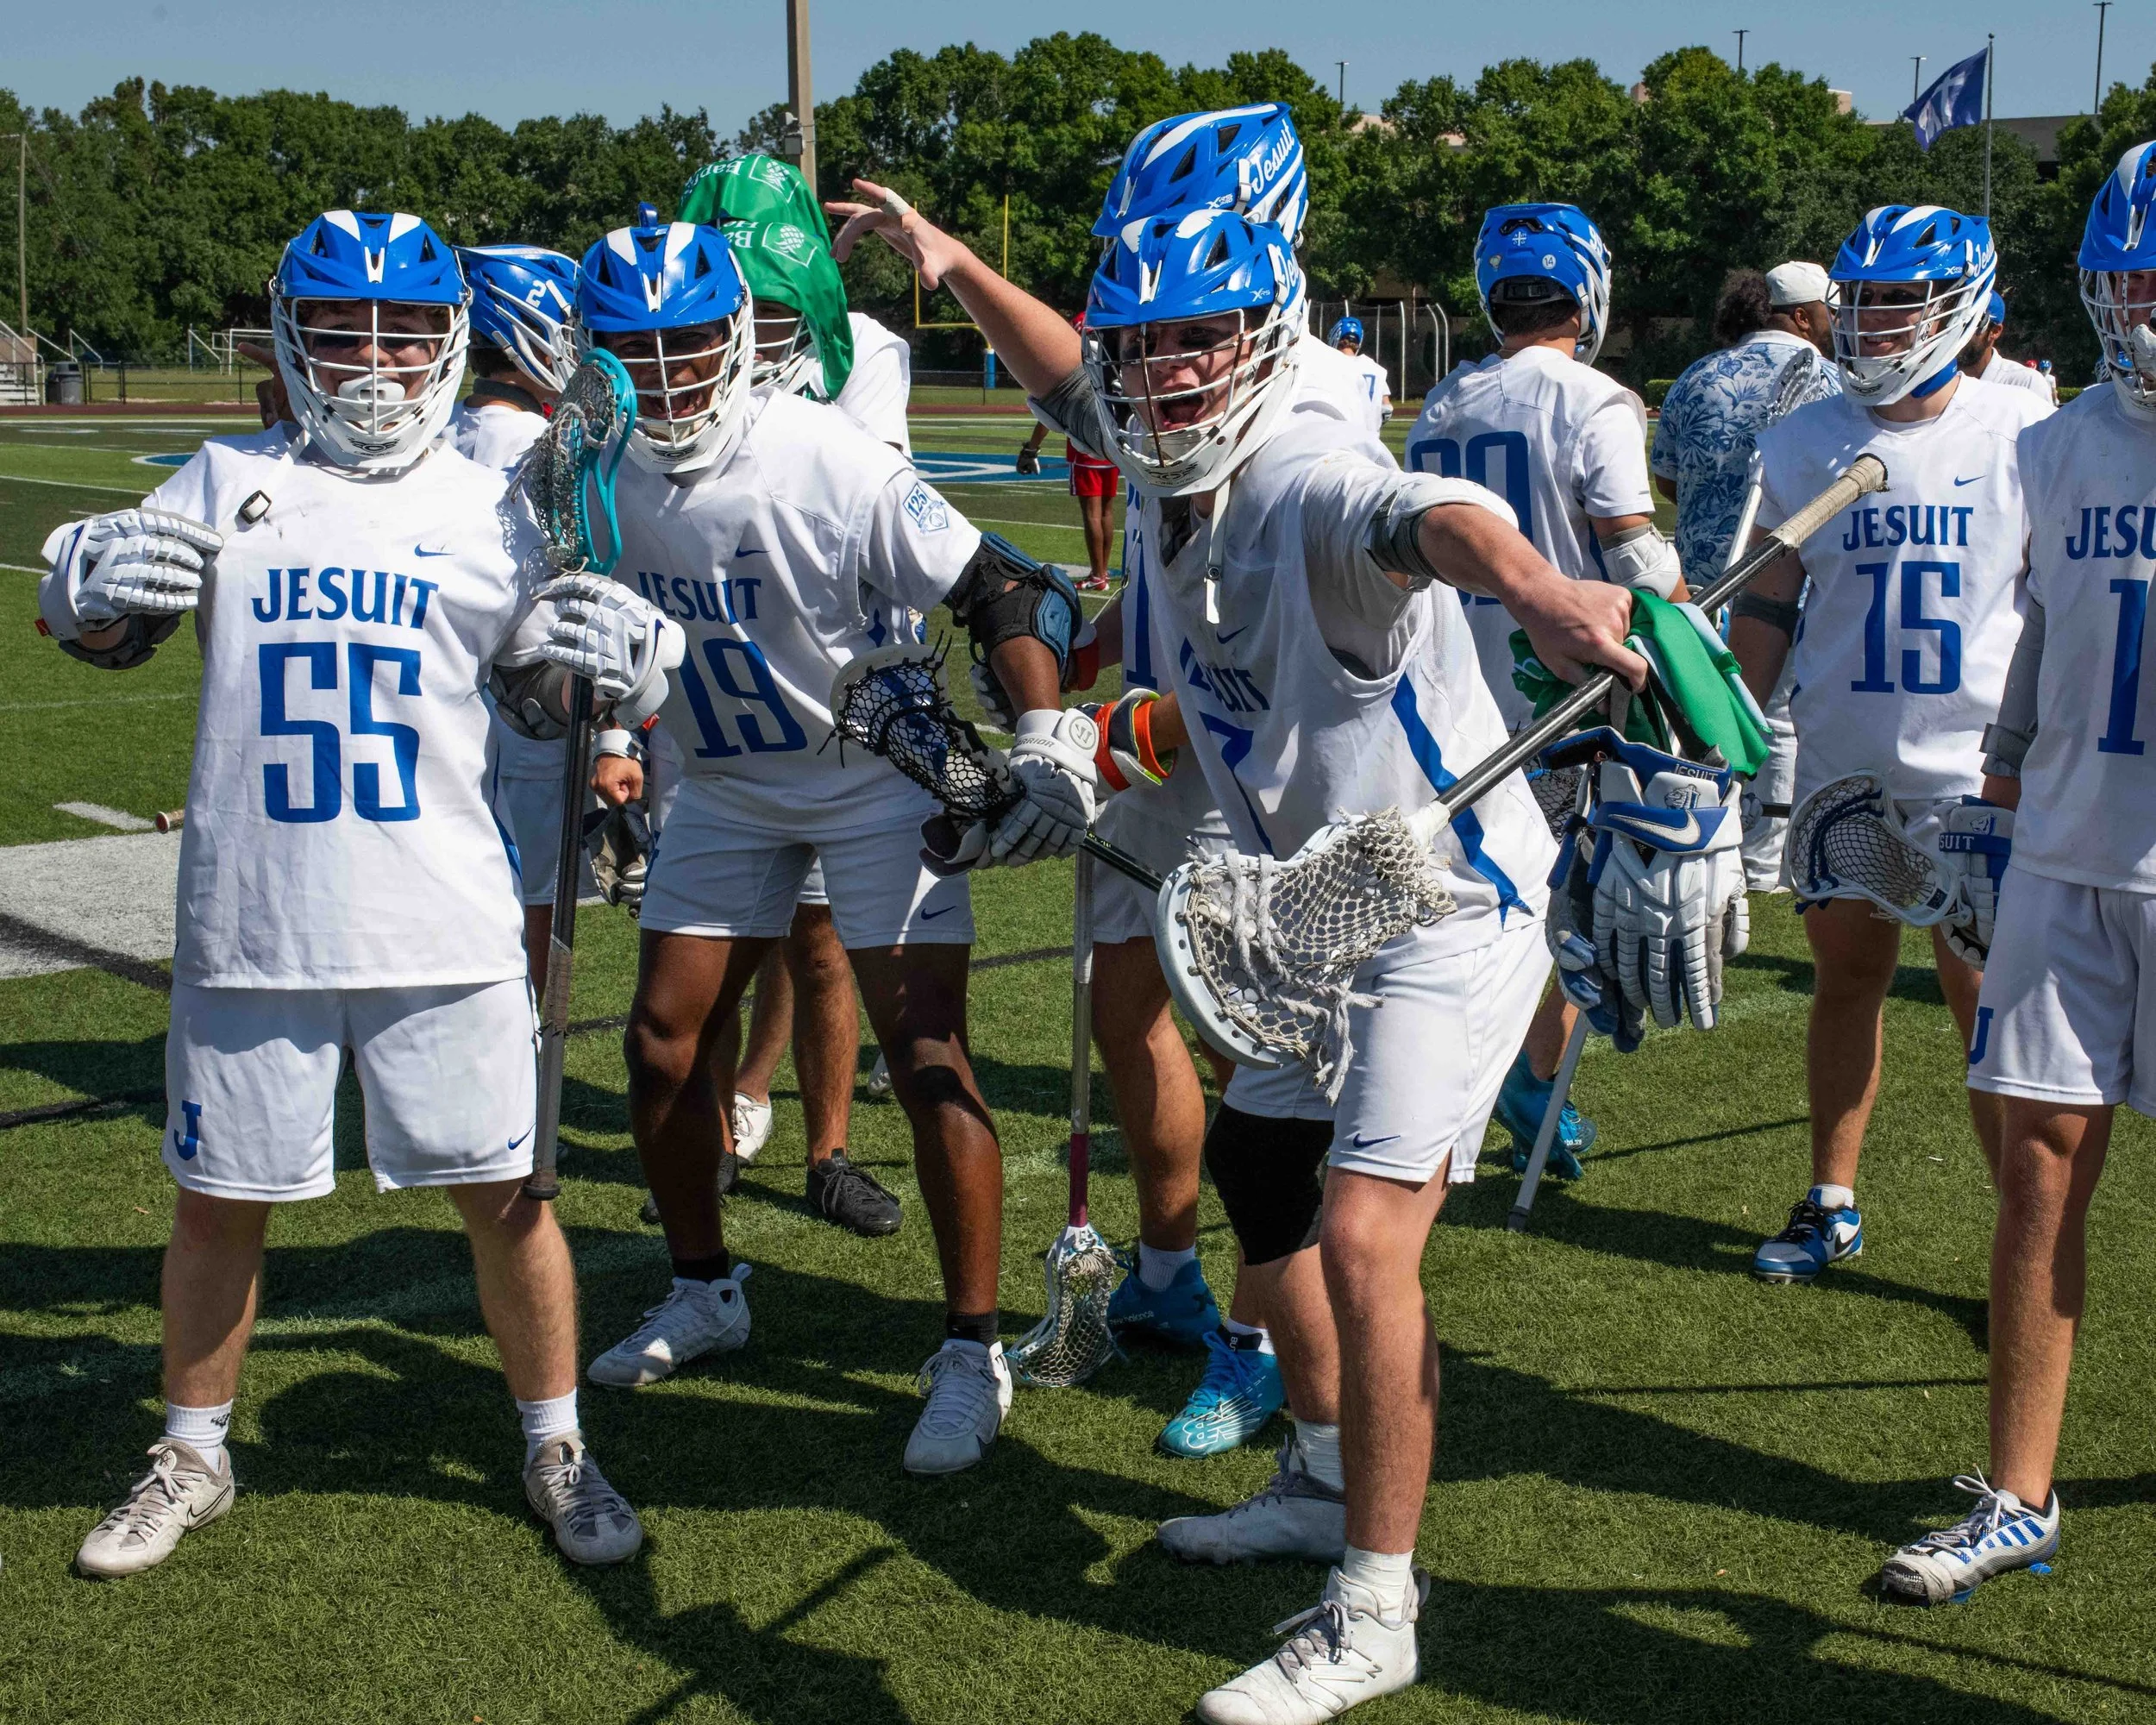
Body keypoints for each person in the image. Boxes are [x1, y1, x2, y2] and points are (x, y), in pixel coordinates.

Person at [830, 177, 1642, 1724]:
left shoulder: (1305, 468)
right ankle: (1326, 1481)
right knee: (1268, 1191)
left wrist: (1542, 584)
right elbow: (1070, 371)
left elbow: (1421, 521)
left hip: (1440, 900)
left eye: (1203, 341)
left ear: (1268, 337)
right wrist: (955, 261)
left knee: (1363, 1240)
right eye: (1150, 348)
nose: (1168, 373)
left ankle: (1377, 1606)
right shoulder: (1149, 458)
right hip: (1298, 903)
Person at [53, 210, 675, 1576]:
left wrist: (625, 670)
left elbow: (541, 693)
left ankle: (556, 1438)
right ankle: (192, 1452)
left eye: (403, 331)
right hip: (254, 914)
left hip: (442, 915)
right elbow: (110, 629)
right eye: (344, 331)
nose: (375, 362)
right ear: (294, 338)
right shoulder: (224, 477)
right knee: (218, 1198)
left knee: (509, 1194)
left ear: (450, 341)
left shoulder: (495, 502)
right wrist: (76, 582)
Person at [573, 216, 1089, 1482]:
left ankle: (972, 1351)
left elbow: (1004, 589)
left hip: (873, 774)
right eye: (637, 349)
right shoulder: (594, 470)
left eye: (691, 341)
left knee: (926, 1056)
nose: (669, 371)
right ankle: (706, 1287)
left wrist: (1041, 729)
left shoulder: (825, 453)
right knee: (658, 1045)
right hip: (732, 786)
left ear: (742, 337)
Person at [1883, 138, 2156, 1606]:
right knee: (2037, 1165)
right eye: (2124, 280)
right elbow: (2045, 640)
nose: (2141, 310)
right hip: (2063, 851)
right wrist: (1992, 809)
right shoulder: (2053, 445)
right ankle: (2018, 1493)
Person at [1729, 205, 2052, 1285]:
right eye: (1860, 302)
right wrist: (1722, 735)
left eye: (1896, 302)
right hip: (1844, 767)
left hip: (1976, 778)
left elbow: (2050, 611)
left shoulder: (2021, 433)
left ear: (1954, 307)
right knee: (1846, 981)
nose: (1870, 323)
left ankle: (2023, 1235)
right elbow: (1769, 606)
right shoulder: (1806, 436)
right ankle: (1831, 1199)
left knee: (1986, 1013)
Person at [1404, 202, 1677, 1179]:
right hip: (1557, 687)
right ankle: (1519, 1079)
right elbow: (1633, 553)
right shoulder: (1594, 399)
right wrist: (1693, 636)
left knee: (1465, 894)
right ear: (1586, 290)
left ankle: (1452, 1079)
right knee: (1557, 899)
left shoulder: (1441, 401)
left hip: (1447, 682)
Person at [446, 245, 607, 997]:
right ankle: (527, 1035)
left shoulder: (445, 430)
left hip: (448, 681)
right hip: (531, 694)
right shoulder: (535, 444)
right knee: (536, 893)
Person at [1651, 261, 1840, 890]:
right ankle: (1764, 861)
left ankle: (1704, 838)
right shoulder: (1828, 380)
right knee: (1778, 715)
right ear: (1803, 316)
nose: (1836, 324)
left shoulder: (1696, 374)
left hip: (1699, 578)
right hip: (1786, 575)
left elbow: (1668, 479)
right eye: (1829, 313)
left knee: (1701, 712)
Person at [1019, 315, 1119, 593]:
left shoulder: (1078, 371)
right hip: (1111, 446)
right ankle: (1104, 573)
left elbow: (1050, 416)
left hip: (1086, 447)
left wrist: (1031, 448)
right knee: (1107, 511)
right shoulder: (1113, 368)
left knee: (1092, 513)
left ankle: (1098, 574)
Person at [1959, 291, 2054, 400]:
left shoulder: (2025, 383)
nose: (1956, 334)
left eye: (1968, 325)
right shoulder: (1939, 379)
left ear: (1995, 332)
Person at [1329, 315, 1393, 436]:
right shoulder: (1376, 369)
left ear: (1336, 336)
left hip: (1341, 441)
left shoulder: (1331, 364)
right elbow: (1387, 409)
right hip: (1371, 445)